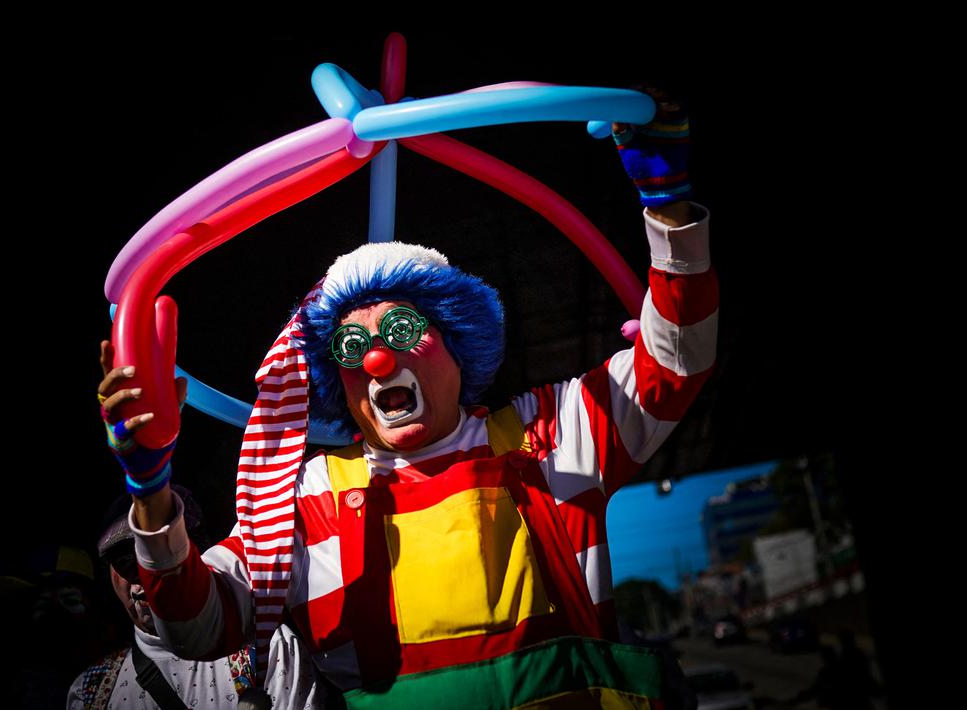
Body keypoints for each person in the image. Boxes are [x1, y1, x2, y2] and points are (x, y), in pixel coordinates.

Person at [99, 88, 715, 707]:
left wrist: (669, 207)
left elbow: (675, 361)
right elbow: (199, 627)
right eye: (349, 348)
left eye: (401, 331)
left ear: (455, 345)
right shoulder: (299, 501)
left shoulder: (551, 433)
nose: (375, 360)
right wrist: (150, 490)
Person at [69, 490, 323, 709]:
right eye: (125, 562)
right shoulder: (91, 690)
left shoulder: (268, 649)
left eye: (161, 561)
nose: (146, 578)